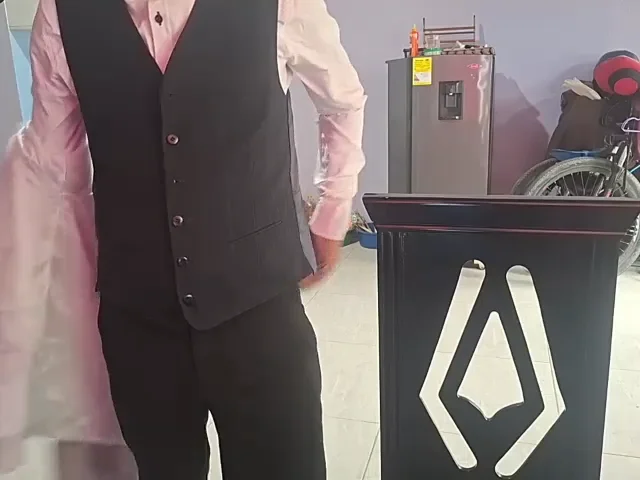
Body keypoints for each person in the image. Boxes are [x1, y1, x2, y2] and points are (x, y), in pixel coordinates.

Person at [0, 0, 366, 478]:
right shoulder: (61, 12)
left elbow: (342, 101)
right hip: (137, 322)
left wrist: (332, 215)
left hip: (258, 309)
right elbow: (54, 168)